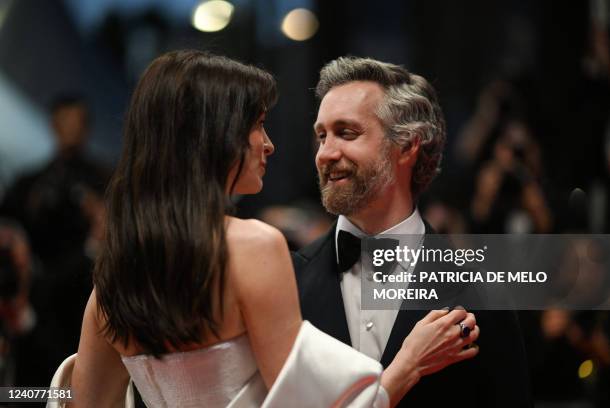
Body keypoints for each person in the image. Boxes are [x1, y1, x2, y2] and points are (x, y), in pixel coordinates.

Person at [66, 50, 479, 407]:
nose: (270, 143)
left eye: (346, 132)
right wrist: (406, 368)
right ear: (216, 136)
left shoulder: (113, 280)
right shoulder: (258, 248)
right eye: (258, 124)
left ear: (408, 145)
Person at [292, 56, 532, 407]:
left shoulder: (483, 289)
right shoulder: (288, 280)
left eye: (346, 133)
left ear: (407, 145)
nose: (325, 153)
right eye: (321, 135)